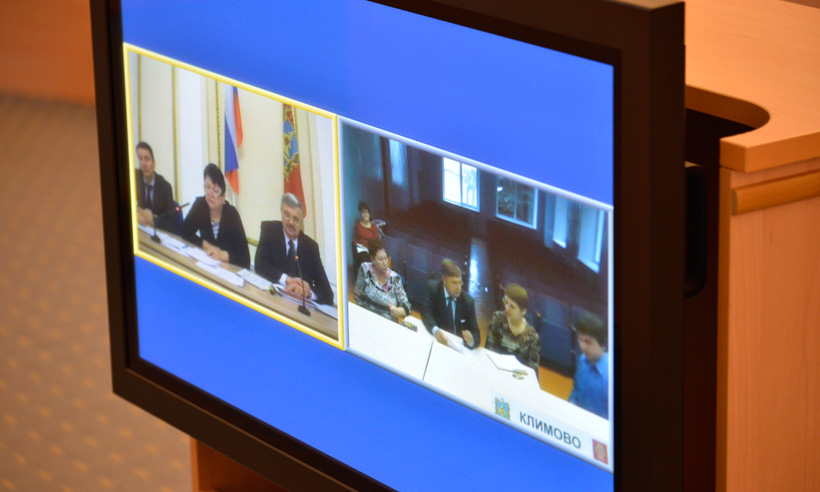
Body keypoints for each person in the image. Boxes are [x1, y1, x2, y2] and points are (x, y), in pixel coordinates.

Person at [255, 193, 334, 305]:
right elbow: (260, 265)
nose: (291, 222)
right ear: (281, 213)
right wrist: (287, 280)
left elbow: (328, 294)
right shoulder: (269, 230)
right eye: (287, 215)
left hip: (297, 307)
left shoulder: (311, 247)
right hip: (270, 300)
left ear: (301, 222)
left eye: (296, 219)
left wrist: (307, 292)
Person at [181, 163, 250, 269]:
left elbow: (245, 258)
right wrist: (205, 245)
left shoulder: (232, 215)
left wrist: (223, 255)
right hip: (205, 266)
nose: (210, 194)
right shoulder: (201, 205)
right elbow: (184, 232)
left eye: (215, 191)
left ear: (223, 195)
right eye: (207, 187)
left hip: (227, 270)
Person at [422, 258, 480, 349]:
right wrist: (436, 331)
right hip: (436, 342)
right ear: (444, 280)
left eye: (460, 283)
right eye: (454, 283)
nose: (458, 288)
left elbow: (476, 335)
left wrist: (471, 340)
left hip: (457, 346)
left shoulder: (467, 301)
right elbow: (426, 314)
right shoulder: (433, 289)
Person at [485, 283, 540, 370]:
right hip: (495, 368)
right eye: (506, 302)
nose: (507, 308)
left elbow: (532, 368)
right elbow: (489, 348)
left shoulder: (532, 337)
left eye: (512, 307)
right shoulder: (498, 319)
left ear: (523, 311)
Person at [354, 238, 411, 321]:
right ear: (372, 259)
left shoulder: (395, 278)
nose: (385, 263)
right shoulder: (365, 269)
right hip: (367, 317)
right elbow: (358, 296)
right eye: (380, 259)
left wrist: (399, 311)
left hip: (387, 320)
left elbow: (407, 308)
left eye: (386, 258)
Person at [568, 311, 609, 418]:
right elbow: (576, 393)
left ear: (602, 345)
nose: (583, 347)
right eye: (580, 340)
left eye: (588, 342)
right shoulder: (582, 361)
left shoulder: (610, 376)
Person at [134, 141, 175, 230]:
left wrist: (153, 219)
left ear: (154, 163)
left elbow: (171, 221)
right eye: (140, 159)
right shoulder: (133, 178)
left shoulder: (165, 187)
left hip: (157, 231)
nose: (143, 164)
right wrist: (141, 211)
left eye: (147, 159)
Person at [352, 201, 381, 270]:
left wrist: (371, 248)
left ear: (369, 214)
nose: (365, 214)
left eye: (367, 212)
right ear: (361, 214)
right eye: (363, 212)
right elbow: (354, 239)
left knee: (377, 259)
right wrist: (357, 246)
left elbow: (377, 240)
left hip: (371, 249)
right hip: (361, 250)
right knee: (364, 260)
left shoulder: (373, 227)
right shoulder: (358, 225)